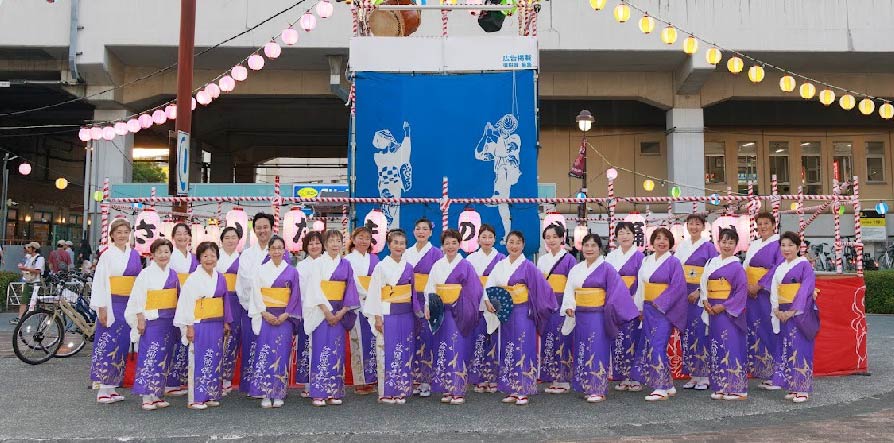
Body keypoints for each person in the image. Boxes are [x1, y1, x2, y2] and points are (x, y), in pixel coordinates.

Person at [561, 234, 639, 403]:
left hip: (598, 315)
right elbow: (569, 290)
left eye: (593, 246)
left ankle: (598, 388)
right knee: (583, 348)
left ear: (600, 249)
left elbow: (617, 292)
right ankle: (586, 385)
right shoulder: (576, 269)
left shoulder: (607, 269)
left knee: (597, 349)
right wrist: (569, 306)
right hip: (580, 315)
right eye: (586, 245)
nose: (589, 249)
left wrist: (609, 309)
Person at [483, 230, 556, 406]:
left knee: (523, 347)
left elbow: (543, 288)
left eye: (517, 242)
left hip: (523, 312)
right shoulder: (500, 265)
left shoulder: (529, 266)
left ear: (523, 245)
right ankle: (511, 388)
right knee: (508, 347)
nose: (514, 246)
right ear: (506, 244)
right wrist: (488, 301)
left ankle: (523, 389)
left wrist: (534, 305)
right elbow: (490, 285)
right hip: (505, 312)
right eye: (511, 242)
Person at [423, 229, 483, 405]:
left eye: (454, 243)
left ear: (459, 244)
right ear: (442, 245)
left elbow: (475, 289)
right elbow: (430, 287)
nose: (450, 246)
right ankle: (446, 387)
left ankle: (458, 389)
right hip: (441, 312)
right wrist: (428, 305)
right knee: (443, 347)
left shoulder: (465, 265)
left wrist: (461, 303)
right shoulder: (437, 265)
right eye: (447, 243)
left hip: (459, 313)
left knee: (457, 348)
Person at [302, 230, 360, 407]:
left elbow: (350, 289)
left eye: (338, 241)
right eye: (331, 241)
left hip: (339, 311)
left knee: (336, 350)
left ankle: (334, 390)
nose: (335, 244)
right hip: (321, 311)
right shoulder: (317, 264)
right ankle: (318, 392)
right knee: (320, 349)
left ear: (342, 244)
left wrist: (342, 312)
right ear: (325, 244)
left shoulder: (346, 264)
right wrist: (326, 311)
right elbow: (314, 289)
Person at [761, 231, 819, 403]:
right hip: (783, 312)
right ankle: (793, 386)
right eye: (783, 245)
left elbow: (805, 290)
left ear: (798, 247)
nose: (786, 249)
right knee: (788, 349)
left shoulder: (804, 265)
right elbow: (774, 290)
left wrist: (792, 311)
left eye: (791, 245)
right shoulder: (780, 267)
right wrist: (776, 309)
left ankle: (803, 389)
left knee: (800, 348)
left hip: (799, 313)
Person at [89, 219, 143, 404]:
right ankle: (102, 389)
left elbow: (139, 281)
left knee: (122, 344)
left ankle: (112, 387)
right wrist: (102, 308)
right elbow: (99, 283)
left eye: (125, 232)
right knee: (108, 343)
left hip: (129, 304)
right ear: (112, 235)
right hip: (111, 303)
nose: (122, 235)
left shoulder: (134, 254)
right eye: (118, 232)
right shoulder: (107, 255)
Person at [631, 228, 687, 401]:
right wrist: (639, 307)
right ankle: (668, 384)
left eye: (665, 239)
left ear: (670, 243)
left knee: (658, 345)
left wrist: (662, 301)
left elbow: (678, 286)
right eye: (658, 238)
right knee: (651, 344)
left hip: (664, 310)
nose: (661, 242)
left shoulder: (674, 262)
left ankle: (660, 387)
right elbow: (641, 285)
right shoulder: (646, 260)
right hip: (648, 308)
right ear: (652, 242)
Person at [175, 241, 232, 410]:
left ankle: (209, 394)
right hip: (199, 323)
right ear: (199, 258)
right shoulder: (193, 278)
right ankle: (195, 398)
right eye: (205, 256)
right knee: (198, 359)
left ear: (217, 258)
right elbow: (186, 303)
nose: (209, 259)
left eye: (212, 255)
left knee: (213, 358)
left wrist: (226, 321)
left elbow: (225, 301)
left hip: (216, 323)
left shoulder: (220, 277)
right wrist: (189, 326)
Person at [247, 235, 301, 408]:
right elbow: (256, 293)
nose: (277, 251)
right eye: (273, 248)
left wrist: (287, 314)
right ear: (268, 251)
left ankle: (278, 392)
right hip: (266, 316)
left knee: (282, 353)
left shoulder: (292, 271)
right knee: (265, 353)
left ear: (284, 250)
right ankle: (264, 392)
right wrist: (264, 312)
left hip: (284, 317)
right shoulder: (260, 270)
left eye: (280, 248)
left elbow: (295, 295)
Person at [125, 238, 179, 411]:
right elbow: (137, 297)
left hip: (168, 321)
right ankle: (146, 396)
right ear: (153, 255)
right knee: (150, 355)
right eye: (159, 252)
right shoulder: (145, 274)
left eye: (166, 252)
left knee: (164, 357)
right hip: (152, 320)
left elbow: (178, 297)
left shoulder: (173, 274)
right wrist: (140, 317)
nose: (163, 255)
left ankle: (157, 394)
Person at [363, 229, 417, 405]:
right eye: (395, 243)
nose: (399, 246)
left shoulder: (409, 267)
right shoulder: (381, 267)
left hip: (405, 313)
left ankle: (400, 389)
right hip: (387, 312)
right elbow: (374, 293)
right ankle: (386, 391)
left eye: (402, 243)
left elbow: (413, 294)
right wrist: (378, 317)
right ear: (389, 245)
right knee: (386, 350)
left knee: (403, 350)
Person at [234, 213, 285, 395]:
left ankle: (271, 384)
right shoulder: (247, 255)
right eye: (259, 227)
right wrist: (258, 305)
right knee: (252, 345)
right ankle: (251, 386)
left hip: (275, 310)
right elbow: (245, 281)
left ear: (272, 228)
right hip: (253, 308)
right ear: (254, 230)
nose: (262, 230)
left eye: (265, 227)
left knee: (272, 347)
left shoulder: (279, 253)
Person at [700, 229, 749, 401]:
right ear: (718, 243)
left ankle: (737, 388)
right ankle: (721, 385)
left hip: (728, 312)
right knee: (717, 347)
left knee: (731, 346)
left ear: (736, 246)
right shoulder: (711, 262)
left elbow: (741, 291)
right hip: (712, 309)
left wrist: (724, 306)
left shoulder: (737, 267)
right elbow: (704, 283)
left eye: (731, 243)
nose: (726, 245)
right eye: (724, 242)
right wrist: (705, 300)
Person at [676, 214, 717, 391]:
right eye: (691, 224)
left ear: (703, 227)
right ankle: (693, 374)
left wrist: (700, 291)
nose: (694, 227)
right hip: (684, 294)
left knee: (701, 332)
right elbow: (676, 270)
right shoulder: (682, 246)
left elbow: (713, 272)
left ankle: (705, 375)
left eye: (697, 224)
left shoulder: (709, 247)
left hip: (700, 294)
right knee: (688, 334)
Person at [404, 218, 443, 398]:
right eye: (418, 228)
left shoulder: (436, 253)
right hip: (409, 299)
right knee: (411, 339)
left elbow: (439, 279)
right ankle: (412, 379)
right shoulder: (407, 253)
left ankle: (426, 380)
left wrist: (431, 302)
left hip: (427, 299)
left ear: (430, 232)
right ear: (413, 232)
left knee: (427, 339)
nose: (421, 232)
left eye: (425, 229)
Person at [744, 212, 784, 389]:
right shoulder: (754, 244)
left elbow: (777, 267)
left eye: (766, 223)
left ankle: (779, 374)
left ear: (774, 225)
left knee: (771, 329)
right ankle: (768, 371)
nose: (763, 227)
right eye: (759, 224)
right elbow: (745, 266)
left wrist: (760, 285)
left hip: (766, 293)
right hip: (751, 294)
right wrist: (746, 285)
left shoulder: (779, 243)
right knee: (757, 329)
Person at [536, 223, 577, 394]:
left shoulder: (569, 259)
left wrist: (570, 304)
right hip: (546, 305)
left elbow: (573, 284)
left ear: (562, 238)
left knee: (563, 339)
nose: (551, 240)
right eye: (548, 237)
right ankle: (552, 377)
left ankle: (564, 379)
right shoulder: (542, 260)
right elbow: (538, 284)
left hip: (562, 303)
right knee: (548, 339)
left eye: (555, 236)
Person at [605, 222, 646, 392]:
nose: (625, 236)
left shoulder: (640, 257)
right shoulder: (610, 257)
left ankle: (635, 377)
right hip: (615, 302)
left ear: (634, 236)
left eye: (628, 233)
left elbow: (642, 281)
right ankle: (622, 376)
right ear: (616, 237)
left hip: (632, 301)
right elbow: (606, 280)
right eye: (621, 233)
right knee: (618, 339)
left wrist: (637, 300)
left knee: (633, 338)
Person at [466, 224, 505, 393]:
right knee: (479, 339)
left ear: (495, 239)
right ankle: (479, 378)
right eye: (484, 237)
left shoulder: (502, 259)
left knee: (495, 340)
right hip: (477, 304)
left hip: (495, 305)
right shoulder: (471, 259)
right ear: (478, 239)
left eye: (490, 237)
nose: (487, 240)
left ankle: (494, 377)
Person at [344, 227, 380, 395]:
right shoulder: (347, 260)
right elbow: (352, 281)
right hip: (357, 304)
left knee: (373, 340)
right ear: (353, 239)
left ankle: (372, 378)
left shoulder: (375, 259)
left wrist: (373, 296)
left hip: (373, 305)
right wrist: (366, 294)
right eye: (360, 237)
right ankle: (360, 381)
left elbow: (379, 280)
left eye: (367, 238)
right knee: (357, 341)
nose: (364, 241)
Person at [166, 222, 198, 396]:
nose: (182, 237)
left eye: (185, 233)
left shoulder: (194, 258)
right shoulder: (169, 256)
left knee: (187, 339)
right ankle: (170, 382)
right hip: (173, 301)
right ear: (173, 237)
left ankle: (181, 378)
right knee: (174, 340)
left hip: (190, 302)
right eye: (178, 234)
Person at [295, 231, 324, 397]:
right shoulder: (301, 266)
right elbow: (300, 291)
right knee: (306, 346)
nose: (314, 246)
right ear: (306, 246)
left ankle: (322, 381)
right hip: (307, 310)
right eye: (311, 243)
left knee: (323, 346)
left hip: (326, 310)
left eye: (317, 243)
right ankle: (307, 384)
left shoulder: (328, 263)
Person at [216, 227, 241, 394]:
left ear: (238, 240)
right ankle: (214, 377)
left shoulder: (243, 258)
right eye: (227, 237)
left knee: (232, 339)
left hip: (236, 301)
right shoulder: (214, 256)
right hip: (218, 300)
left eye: (234, 237)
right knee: (216, 338)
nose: (230, 240)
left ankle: (226, 378)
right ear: (222, 240)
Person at [12, 242, 44, 325]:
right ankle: (20, 318)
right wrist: (23, 268)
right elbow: (27, 268)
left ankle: (44, 317)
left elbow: (38, 271)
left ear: (34, 249)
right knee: (24, 300)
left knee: (39, 301)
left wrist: (25, 269)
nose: (28, 249)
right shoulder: (29, 258)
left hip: (36, 282)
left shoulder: (40, 258)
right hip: (28, 281)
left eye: (29, 248)